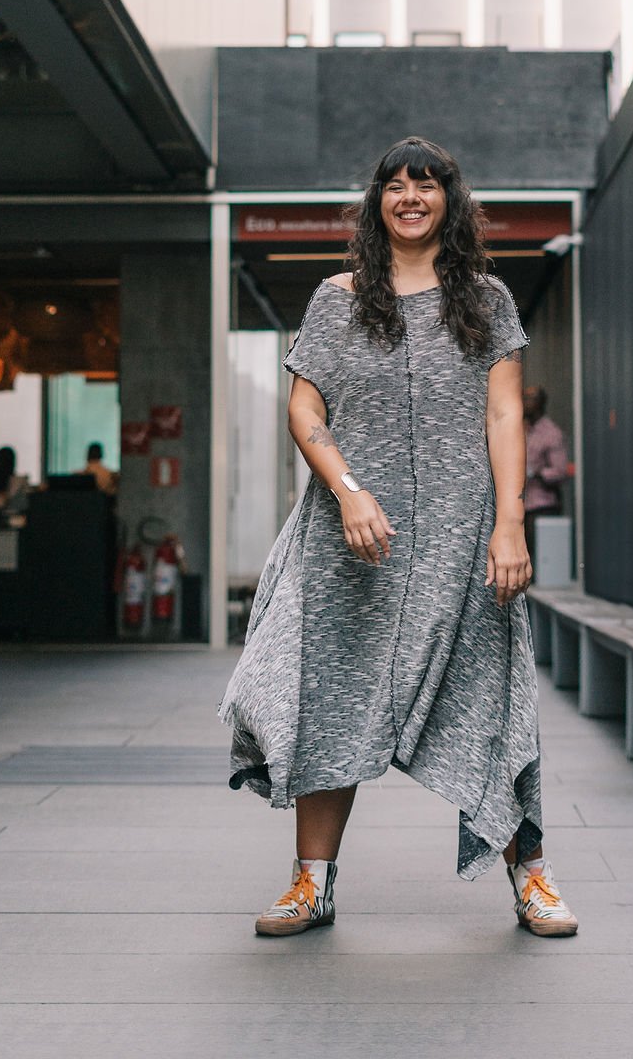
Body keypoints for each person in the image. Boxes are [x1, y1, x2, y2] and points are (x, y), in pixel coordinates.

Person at [220, 137, 578, 940]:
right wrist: (347, 491)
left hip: (462, 547)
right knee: (329, 702)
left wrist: (509, 524)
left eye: (427, 185)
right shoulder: (336, 299)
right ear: (376, 200)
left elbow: (503, 415)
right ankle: (311, 884)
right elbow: (305, 413)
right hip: (352, 545)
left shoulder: (485, 300)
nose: (410, 197)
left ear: (451, 201)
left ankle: (533, 878)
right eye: (395, 184)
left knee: (493, 699)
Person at [523, 386, 569, 552]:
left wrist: (535, 473)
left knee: (543, 557)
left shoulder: (551, 433)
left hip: (542, 506)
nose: (524, 402)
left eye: (529, 398)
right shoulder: (524, 430)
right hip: (523, 505)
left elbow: (560, 471)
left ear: (540, 403)